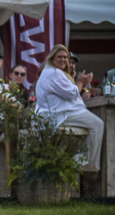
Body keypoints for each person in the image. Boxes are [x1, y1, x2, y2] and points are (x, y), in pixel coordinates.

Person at [35, 44, 104, 173]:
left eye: (65, 57)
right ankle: (90, 165)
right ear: (52, 58)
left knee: (90, 126)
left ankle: (79, 159)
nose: (63, 60)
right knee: (97, 125)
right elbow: (72, 93)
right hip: (60, 114)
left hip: (58, 114)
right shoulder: (54, 73)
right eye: (59, 57)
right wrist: (81, 82)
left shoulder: (51, 71)